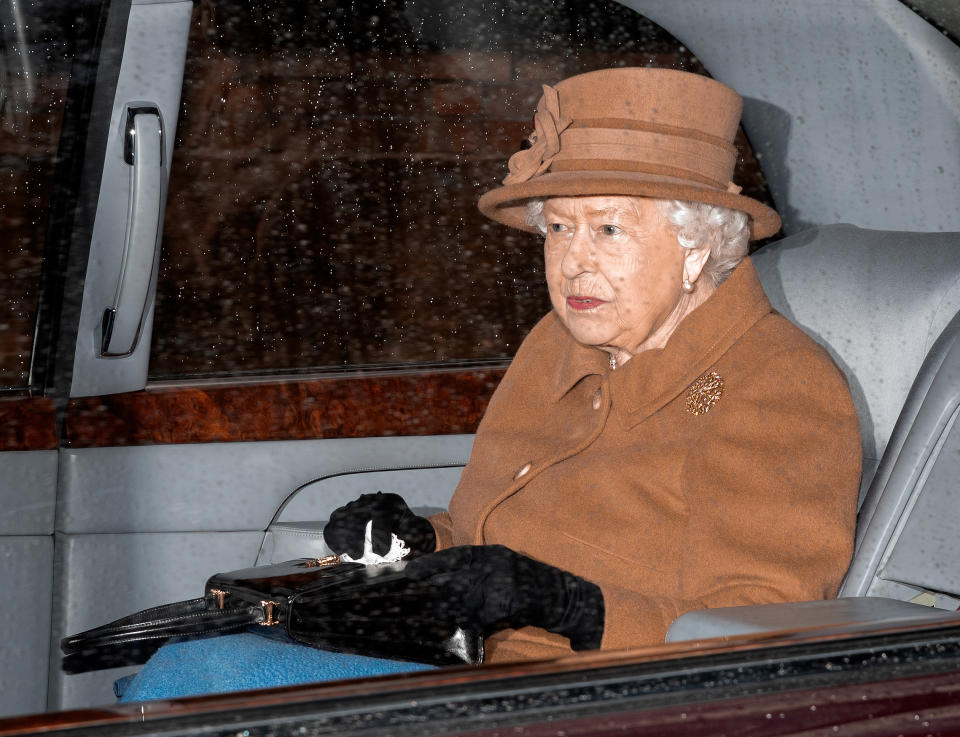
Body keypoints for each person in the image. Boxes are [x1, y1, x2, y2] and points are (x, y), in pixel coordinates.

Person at [323, 67, 862, 663]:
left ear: (697, 247)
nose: (574, 262)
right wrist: (422, 540)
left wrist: (571, 606)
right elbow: (504, 541)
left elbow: (758, 629)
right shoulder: (556, 343)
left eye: (608, 228)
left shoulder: (777, 382)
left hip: (589, 699)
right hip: (445, 657)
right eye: (558, 227)